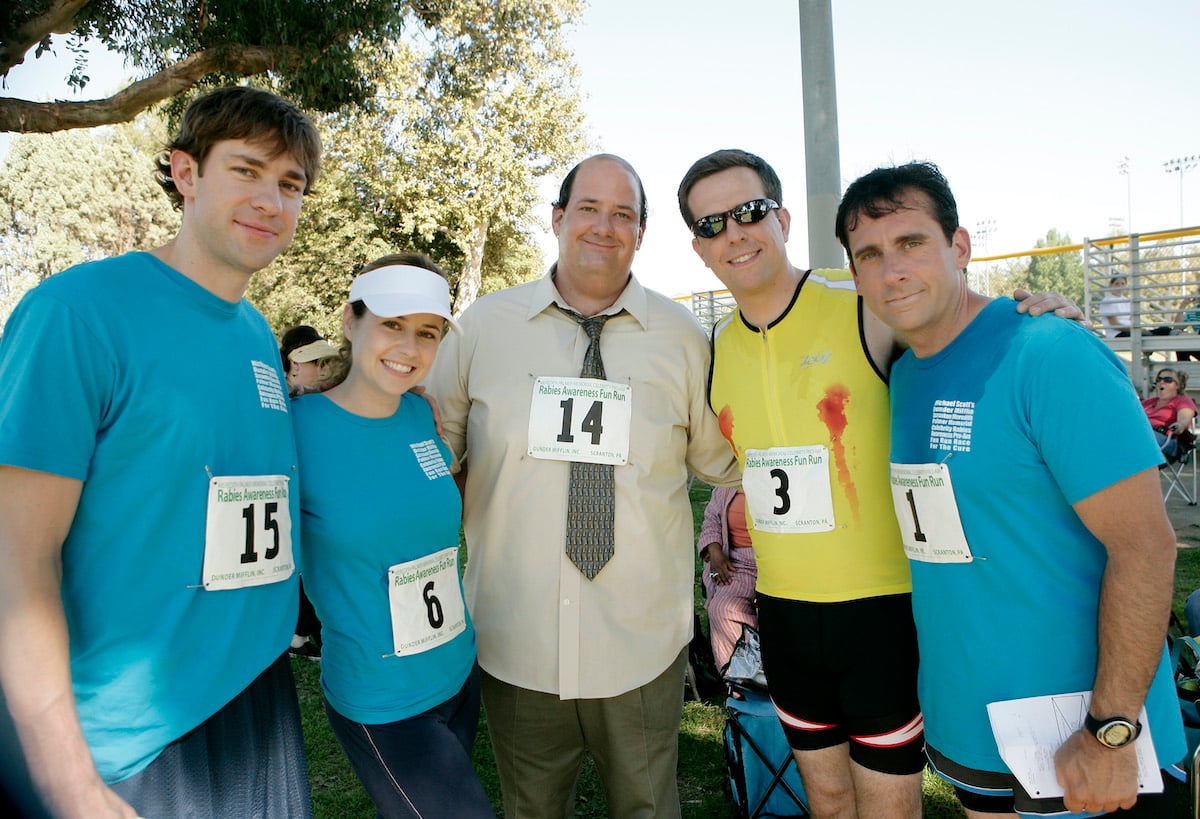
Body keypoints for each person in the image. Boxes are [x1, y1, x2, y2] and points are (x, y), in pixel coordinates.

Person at [677, 148, 1079, 818]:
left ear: (780, 217)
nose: (735, 232)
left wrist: (1031, 314)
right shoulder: (716, 345)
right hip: (783, 613)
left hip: (881, 612)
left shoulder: (862, 301)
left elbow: (959, 323)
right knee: (829, 802)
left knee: (889, 807)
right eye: (713, 223)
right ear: (698, 246)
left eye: (748, 212)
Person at [0, 86, 322, 818]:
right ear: (185, 172)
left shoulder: (255, 334)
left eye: (290, 183)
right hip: (125, 745)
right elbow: (14, 560)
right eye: (246, 170)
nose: (270, 200)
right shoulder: (76, 314)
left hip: (254, 703)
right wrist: (70, 782)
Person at [838, 160, 1185, 817]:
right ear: (854, 274)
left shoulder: (1050, 352)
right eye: (870, 254)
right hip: (972, 726)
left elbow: (1147, 547)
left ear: (960, 246)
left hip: (1086, 736)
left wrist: (1111, 730)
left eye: (911, 243)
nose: (892, 270)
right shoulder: (905, 375)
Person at [427, 153, 741, 818]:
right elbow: (431, 457)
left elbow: (722, 460)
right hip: (516, 641)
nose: (605, 225)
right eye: (589, 209)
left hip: (642, 645)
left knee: (649, 808)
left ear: (641, 232)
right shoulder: (483, 329)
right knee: (532, 809)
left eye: (623, 213)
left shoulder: (683, 338)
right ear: (557, 218)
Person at [292, 253, 493, 818]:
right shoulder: (294, 428)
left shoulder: (418, 415)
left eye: (426, 333)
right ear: (351, 322)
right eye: (392, 325)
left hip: (455, 672)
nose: (409, 348)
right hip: (381, 697)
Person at [697, 487, 757, 673]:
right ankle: (739, 678)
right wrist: (715, 552)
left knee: (777, 612)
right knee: (722, 609)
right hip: (734, 562)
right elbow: (711, 520)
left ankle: (772, 670)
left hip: (779, 562)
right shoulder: (728, 480)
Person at [1142, 366, 1196, 459]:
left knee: (1137, 437)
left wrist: (1180, 425)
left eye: (1168, 379)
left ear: (1177, 385)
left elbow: (1184, 419)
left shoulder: (1182, 400)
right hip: (1141, 435)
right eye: (1159, 379)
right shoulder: (1148, 402)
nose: (1162, 382)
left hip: (1166, 440)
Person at [280, 324, 339, 396]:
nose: (327, 370)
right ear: (295, 364)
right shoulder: (280, 398)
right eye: (321, 364)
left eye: (329, 362)